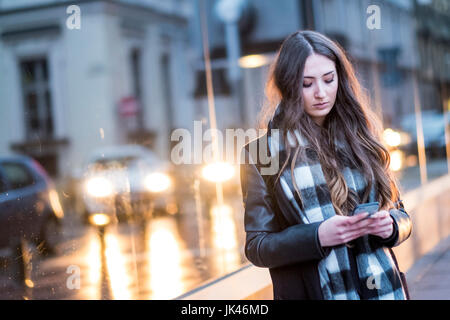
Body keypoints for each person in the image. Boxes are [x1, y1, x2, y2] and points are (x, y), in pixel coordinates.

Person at [239, 30, 412, 300]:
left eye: (329, 80)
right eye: (307, 84)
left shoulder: (361, 138)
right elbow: (258, 246)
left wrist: (390, 226)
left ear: (340, 80)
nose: (321, 93)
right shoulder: (263, 153)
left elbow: (401, 215)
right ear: (288, 86)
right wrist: (316, 236)